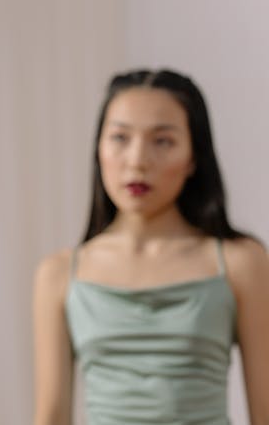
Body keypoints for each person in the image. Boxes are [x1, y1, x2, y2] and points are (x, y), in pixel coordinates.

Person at [32, 69, 269, 425]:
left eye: (163, 141)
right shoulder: (59, 274)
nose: (138, 160)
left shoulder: (240, 262)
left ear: (193, 158)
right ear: (98, 149)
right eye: (120, 138)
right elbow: (51, 416)